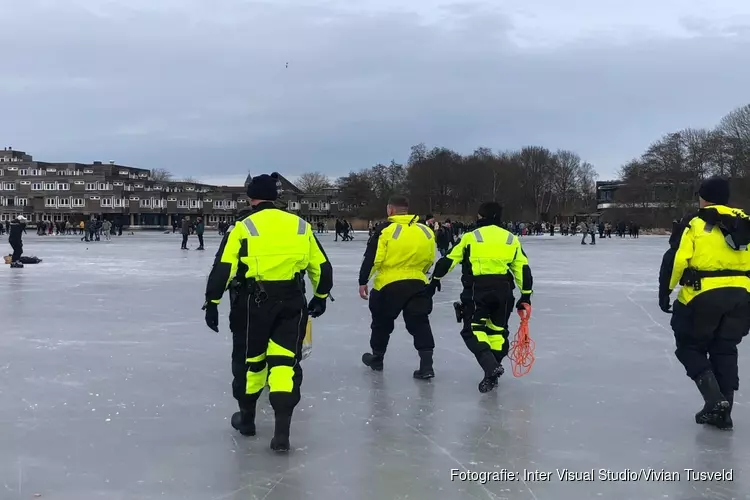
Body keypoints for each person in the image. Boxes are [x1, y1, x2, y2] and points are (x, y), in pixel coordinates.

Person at [202, 172, 333, 452]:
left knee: (251, 362)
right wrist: (321, 296)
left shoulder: (243, 226)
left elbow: (223, 268)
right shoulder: (300, 225)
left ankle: (247, 419)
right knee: (285, 364)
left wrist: (212, 302)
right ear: (276, 197)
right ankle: (282, 433)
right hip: (292, 301)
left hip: (253, 303)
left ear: (251, 197)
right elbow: (321, 267)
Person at [659, 176, 750, 430]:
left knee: (689, 346)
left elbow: (677, 260)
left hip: (702, 296)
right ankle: (725, 412)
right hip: (742, 298)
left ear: (705, 197)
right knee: (725, 348)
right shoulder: (745, 222)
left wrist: (665, 291)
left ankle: (714, 400)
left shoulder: (696, 223)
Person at [427, 202, 533, 393]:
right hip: (504, 292)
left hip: (478, 290)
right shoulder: (511, 238)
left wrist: (435, 279)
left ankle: (490, 367)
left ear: (481, 216)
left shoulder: (470, 237)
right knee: (498, 333)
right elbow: (522, 268)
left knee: (472, 330)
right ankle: (490, 375)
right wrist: (526, 295)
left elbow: (448, 260)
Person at [358, 195, 437, 379]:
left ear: (390, 210)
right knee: (420, 323)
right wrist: (419, 274)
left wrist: (363, 280)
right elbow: (430, 258)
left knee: (381, 324)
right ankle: (427, 365)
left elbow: (373, 258)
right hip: (418, 282)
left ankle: (377, 358)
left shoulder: (385, 230)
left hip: (389, 284)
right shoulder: (425, 231)